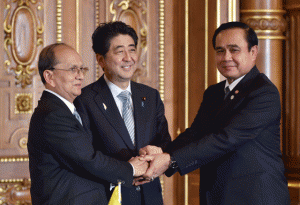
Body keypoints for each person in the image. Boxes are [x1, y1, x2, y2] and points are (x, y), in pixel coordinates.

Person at [141, 21, 291, 204]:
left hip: (255, 197)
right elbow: (195, 133)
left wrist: (170, 160)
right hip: (217, 195)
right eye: (220, 51)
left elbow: (227, 138)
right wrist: (160, 154)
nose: (226, 57)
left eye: (234, 50)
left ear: (253, 52)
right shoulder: (214, 92)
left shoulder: (263, 92)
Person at [28, 43, 151, 205]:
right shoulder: (53, 114)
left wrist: (125, 174)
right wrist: (131, 169)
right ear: (49, 77)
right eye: (73, 70)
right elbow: (88, 160)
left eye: (81, 69)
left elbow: (81, 165)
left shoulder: (66, 110)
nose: (80, 76)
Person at [74, 21, 171, 205]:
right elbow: (84, 157)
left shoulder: (150, 96)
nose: (129, 58)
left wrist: (155, 153)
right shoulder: (84, 100)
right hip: (108, 198)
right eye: (119, 51)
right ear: (101, 60)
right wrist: (127, 169)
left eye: (132, 50)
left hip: (150, 197)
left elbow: (165, 142)